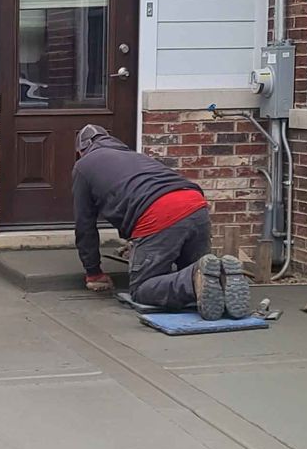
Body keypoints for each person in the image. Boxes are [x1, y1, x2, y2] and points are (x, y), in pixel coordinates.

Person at [71, 125, 252, 319]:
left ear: (81, 151)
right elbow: (138, 191)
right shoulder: (135, 157)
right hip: (195, 204)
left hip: (159, 213)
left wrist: (94, 272)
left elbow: (85, 225)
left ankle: (194, 280)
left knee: (142, 289)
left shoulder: (84, 166)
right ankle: (221, 277)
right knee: (203, 273)